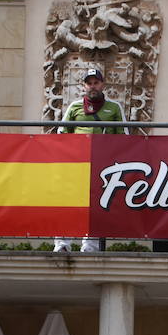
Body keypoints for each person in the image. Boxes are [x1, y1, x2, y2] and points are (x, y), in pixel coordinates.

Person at [56, 67, 124, 253]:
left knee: (95, 204)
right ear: (84, 85)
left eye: (96, 82)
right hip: (76, 164)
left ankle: (90, 246)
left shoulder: (114, 107)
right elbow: (61, 134)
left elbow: (124, 137)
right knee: (68, 201)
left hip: (103, 166)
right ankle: (62, 244)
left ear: (103, 84)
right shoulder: (74, 107)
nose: (93, 86)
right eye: (89, 83)